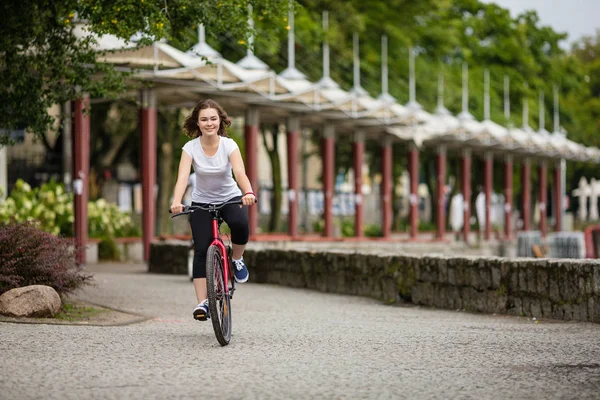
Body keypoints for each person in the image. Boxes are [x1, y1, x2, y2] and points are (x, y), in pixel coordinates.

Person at [170, 99, 256, 321]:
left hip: (229, 197)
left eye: (213, 119)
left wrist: (248, 192)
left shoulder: (229, 145)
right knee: (201, 249)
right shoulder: (190, 148)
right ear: (197, 123)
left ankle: (237, 259)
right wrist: (177, 200)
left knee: (239, 223)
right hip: (201, 202)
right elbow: (182, 177)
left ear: (220, 121)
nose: (209, 123)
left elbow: (240, 172)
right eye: (204, 119)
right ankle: (203, 303)